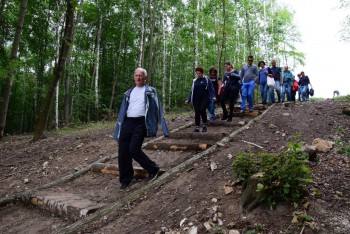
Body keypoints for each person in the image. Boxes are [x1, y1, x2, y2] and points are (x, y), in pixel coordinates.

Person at [114, 68, 169, 190]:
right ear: (134, 77)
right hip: (128, 122)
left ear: (145, 78)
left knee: (133, 149)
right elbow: (123, 111)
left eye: (141, 75)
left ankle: (153, 169)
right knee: (123, 151)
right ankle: (125, 179)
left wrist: (164, 128)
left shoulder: (151, 91)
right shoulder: (129, 92)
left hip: (142, 122)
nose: (138, 78)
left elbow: (159, 109)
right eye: (136, 75)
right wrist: (118, 128)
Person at [185, 66, 215, 132]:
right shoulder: (195, 81)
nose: (198, 75)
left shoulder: (207, 79)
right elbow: (192, 91)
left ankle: (204, 125)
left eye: (199, 73)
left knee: (202, 109)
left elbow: (211, 89)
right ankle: (197, 127)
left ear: (202, 73)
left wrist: (213, 97)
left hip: (205, 97)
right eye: (197, 73)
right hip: (196, 98)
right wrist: (189, 100)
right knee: (197, 112)